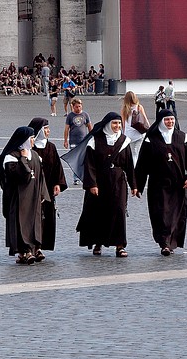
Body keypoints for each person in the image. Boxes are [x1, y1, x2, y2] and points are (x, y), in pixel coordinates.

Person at [135, 108, 187, 256]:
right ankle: (164, 243)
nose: (170, 122)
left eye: (172, 119)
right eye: (167, 120)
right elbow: (142, 164)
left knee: (176, 214)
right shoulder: (151, 140)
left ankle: (171, 243)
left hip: (178, 184)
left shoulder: (183, 138)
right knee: (161, 213)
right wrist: (137, 185)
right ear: (161, 122)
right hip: (158, 184)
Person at [73, 112, 138, 258]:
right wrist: (92, 184)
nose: (117, 126)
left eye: (119, 123)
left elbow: (129, 165)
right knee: (99, 212)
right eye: (114, 123)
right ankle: (98, 242)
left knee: (119, 211)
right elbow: (89, 165)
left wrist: (134, 185)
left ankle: (120, 245)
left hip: (118, 182)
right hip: (100, 181)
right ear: (108, 124)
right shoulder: (95, 141)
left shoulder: (124, 141)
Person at [0, 125, 50, 264]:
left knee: (35, 223)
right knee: (21, 224)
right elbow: (22, 177)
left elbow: (41, 177)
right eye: (31, 138)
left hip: (34, 196)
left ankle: (35, 248)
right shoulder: (11, 157)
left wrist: (43, 193)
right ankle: (24, 251)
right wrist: (23, 159)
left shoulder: (35, 155)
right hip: (19, 198)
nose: (33, 141)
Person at [29, 117, 67, 252]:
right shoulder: (30, 147)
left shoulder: (51, 147)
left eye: (48, 128)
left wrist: (58, 183)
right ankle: (32, 246)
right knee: (34, 217)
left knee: (47, 217)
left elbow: (57, 166)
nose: (48, 131)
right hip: (33, 189)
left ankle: (40, 247)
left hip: (49, 187)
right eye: (45, 129)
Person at [64, 98, 92, 185]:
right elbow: (66, 129)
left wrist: (92, 137)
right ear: (73, 106)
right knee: (76, 160)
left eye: (80, 106)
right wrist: (65, 140)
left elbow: (90, 127)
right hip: (73, 141)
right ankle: (76, 178)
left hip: (84, 141)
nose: (78, 108)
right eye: (76, 107)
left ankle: (85, 176)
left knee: (84, 159)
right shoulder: (70, 116)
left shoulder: (85, 115)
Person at [121, 90, 150, 164]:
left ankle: (132, 167)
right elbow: (145, 119)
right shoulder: (139, 107)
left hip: (129, 134)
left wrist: (123, 134)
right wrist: (149, 129)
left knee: (131, 153)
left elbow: (123, 124)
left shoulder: (124, 109)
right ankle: (136, 167)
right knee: (137, 152)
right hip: (139, 133)